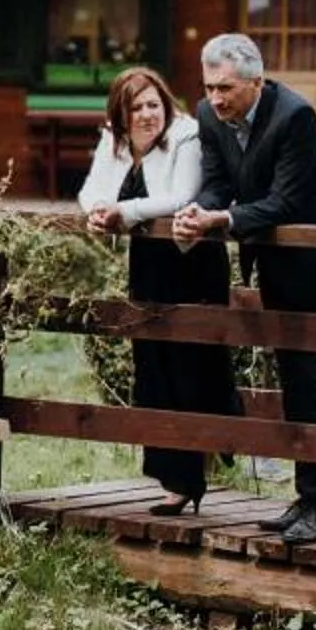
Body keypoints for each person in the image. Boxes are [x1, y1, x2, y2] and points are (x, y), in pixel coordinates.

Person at [174, 30, 316, 547]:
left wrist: (219, 219)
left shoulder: (295, 116)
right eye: (209, 87)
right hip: (271, 258)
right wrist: (197, 209)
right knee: (290, 376)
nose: (215, 98)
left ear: (256, 81)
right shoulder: (210, 118)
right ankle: (302, 498)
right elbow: (216, 181)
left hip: (314, 262)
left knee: (308, 377)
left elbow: (286, 203)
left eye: (226, 87)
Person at [80, 65, 237, 512]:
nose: (148, 115)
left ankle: (198, 468)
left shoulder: (185, 135)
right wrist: (96, 211)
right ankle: (174, 478)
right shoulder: (113, 141)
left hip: (192, 264)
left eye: (154, 104)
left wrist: (120, 210)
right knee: (153, 368)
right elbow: (91, 190)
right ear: (121, 113)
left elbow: (182, 196)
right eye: (137, 107)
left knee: (192, 369)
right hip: (148, 266)